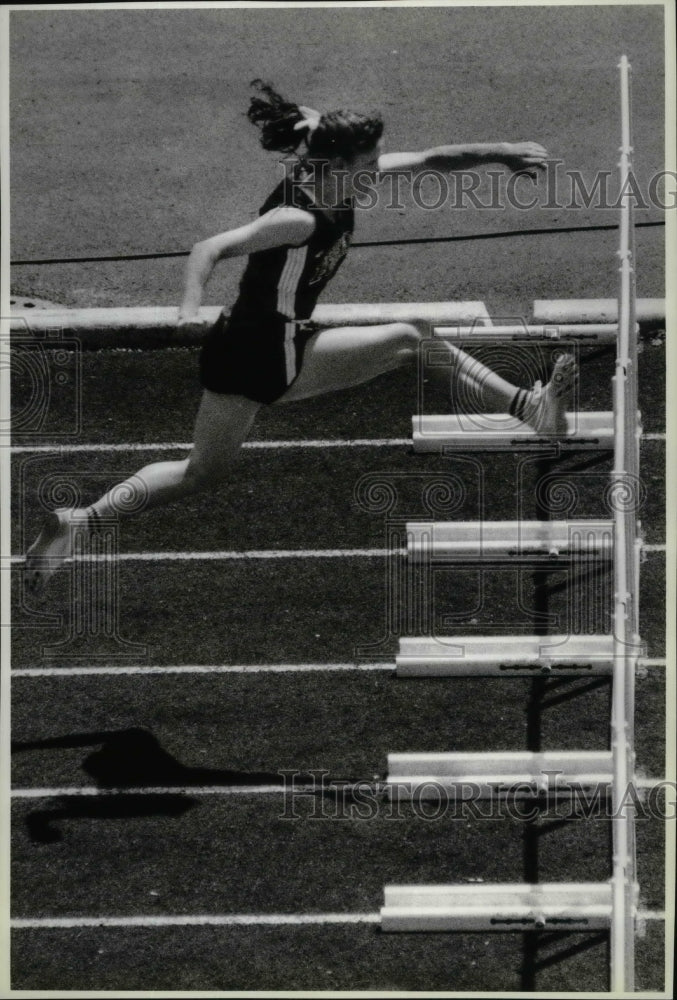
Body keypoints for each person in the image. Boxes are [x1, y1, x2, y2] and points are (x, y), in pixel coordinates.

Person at [25, 80, 577, 593]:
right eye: (368, 162)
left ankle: (83, 520)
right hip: (271, 351)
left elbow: (431, 159)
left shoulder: (333, 164)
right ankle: (529, 408)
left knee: (202, 471)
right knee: (414, 337)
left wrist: (502, 150)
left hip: (240, 346)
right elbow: (208, 248)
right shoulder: (299, 217)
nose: (378, 170)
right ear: (338, 164)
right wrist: (187, 309)